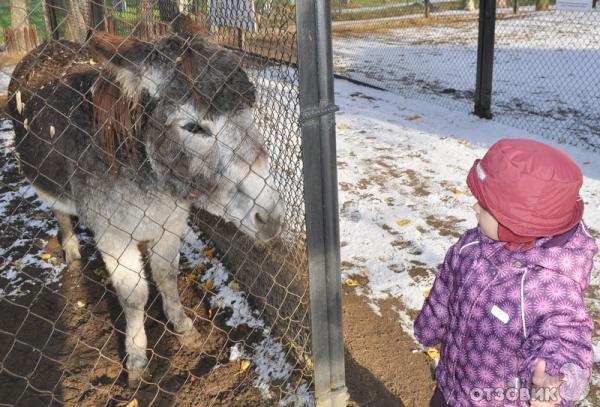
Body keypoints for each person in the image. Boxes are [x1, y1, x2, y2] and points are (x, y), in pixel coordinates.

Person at [414, 139, 597, 407]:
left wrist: (554, 380)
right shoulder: (473, 243)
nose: (474, 208)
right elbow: (446, 289)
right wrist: (428, 329)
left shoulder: (549, 286)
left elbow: (565, 338)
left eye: (484, 206)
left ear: (516, 223)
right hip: (450, 387)